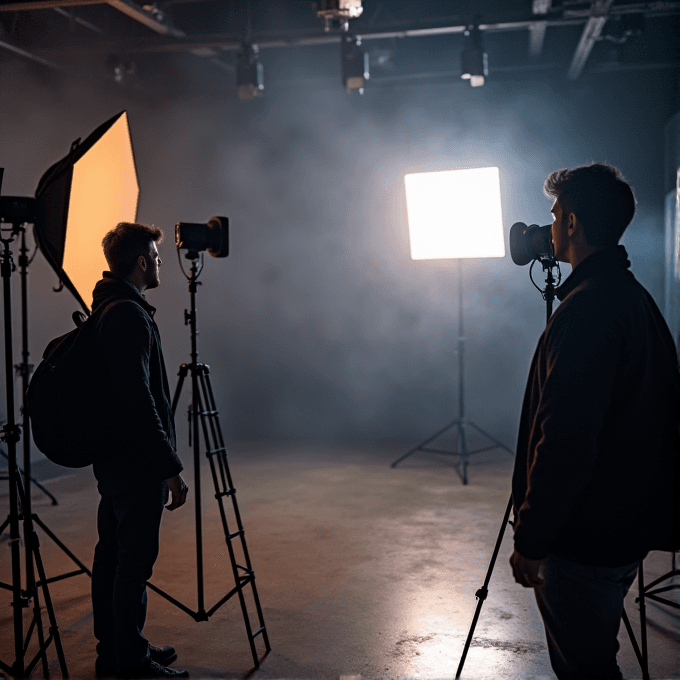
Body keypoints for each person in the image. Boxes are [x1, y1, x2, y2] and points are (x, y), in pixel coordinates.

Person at [510, 163, 680, 679]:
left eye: (555, 213)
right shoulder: (630, 297)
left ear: (573, 223)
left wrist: (533, 539)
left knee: (585, 670)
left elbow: (565, 438)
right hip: (619, 528)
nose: (549, 225)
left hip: (584, 538)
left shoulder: (589, 311)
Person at [91, 222, 190, 679]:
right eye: (155, 253)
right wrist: (168, 466)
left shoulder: (109, 307)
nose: (161, 260)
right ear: (141, 262)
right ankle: (130, 661)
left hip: (113, 462)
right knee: (132, 564)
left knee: (111, 557)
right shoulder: (128, 316)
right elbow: (138, 400)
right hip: (135, 466)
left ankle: (115, 650)